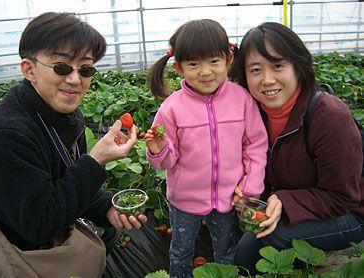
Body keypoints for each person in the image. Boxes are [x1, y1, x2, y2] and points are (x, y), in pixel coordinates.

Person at [0, 12, 147, 267]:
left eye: (85, 69)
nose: (75, 80)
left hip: (51, 221)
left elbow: (66, 179)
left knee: (108, 233)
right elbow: (39, 225)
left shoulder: (63, 112)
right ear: (29, 70)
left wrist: (107, 208)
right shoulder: (9, 135)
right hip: (22, 249)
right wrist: (96, 160)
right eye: (62, 67)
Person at [229, 22, 364, 274]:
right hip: (298, 204)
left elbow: (344, 198)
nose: (267, 80)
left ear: (298, 67)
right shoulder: (250, 115)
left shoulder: (327, 115)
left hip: (350, 214)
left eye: (278, 66)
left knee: (260, 242)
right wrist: (247, 194)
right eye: (255, 69)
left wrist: (284, 199)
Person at [144, 19, 268, 277]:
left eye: (213, 61)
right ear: (178, 67)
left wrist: (250, 185)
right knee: (181, 251)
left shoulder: (241, 99)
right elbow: (166, 161)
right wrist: (159, 150)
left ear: (228, 58)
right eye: (193, 64)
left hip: (227, 198)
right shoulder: (172, 108)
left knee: (225, 250)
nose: (205, 72)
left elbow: (255, 144)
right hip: (184, 201)